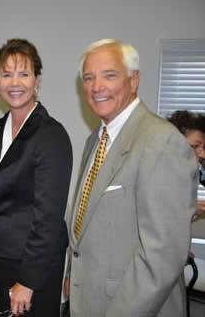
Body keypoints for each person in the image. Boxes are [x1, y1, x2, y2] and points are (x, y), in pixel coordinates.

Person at [64, 39, 197, 317]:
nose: (97, 86)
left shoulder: (162, 142)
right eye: (89, 78)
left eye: (109, 75)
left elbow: (161, 256)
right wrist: (72, 275)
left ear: (134, 80)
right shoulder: (96, 140)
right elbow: (85, 226)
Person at [0, 38, 73, 317]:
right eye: (6, 74)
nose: (15, 83)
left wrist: (27, 281)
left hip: (35, 263)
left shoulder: (51, 134)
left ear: (37, 80)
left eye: (24, 74)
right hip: (0, 256)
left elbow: (48, 216)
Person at [168, 110, 205, 215]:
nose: (202, 155)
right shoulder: (154, 169)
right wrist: (188, 208)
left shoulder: (190, 169)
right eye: (195, 146)